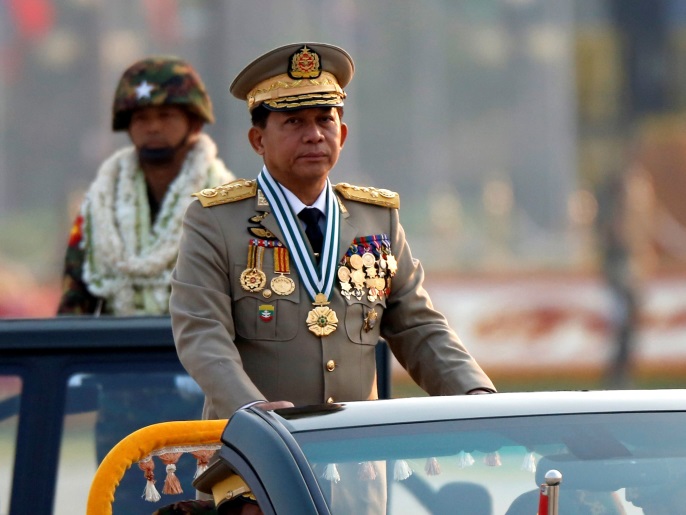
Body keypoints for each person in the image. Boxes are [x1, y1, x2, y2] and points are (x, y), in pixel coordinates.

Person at [170, 42, 495, 511]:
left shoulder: (375, 219)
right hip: (254, 475)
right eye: (294, 122)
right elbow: (202, 334)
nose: (314, 135)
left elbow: (419, 325)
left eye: (324, 120)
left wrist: (474, 391)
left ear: (343, 132)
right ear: (257, 140)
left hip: (354, 477)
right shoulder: (215, 221)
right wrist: (253, 413)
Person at [56, 56, 234, 513]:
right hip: (120, 396)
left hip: (203, 399)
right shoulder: (97, 207)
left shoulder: (227, 204)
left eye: (166, 115)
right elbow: (77, 299)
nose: (153, 127)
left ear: (193, 122)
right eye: (141, 117)